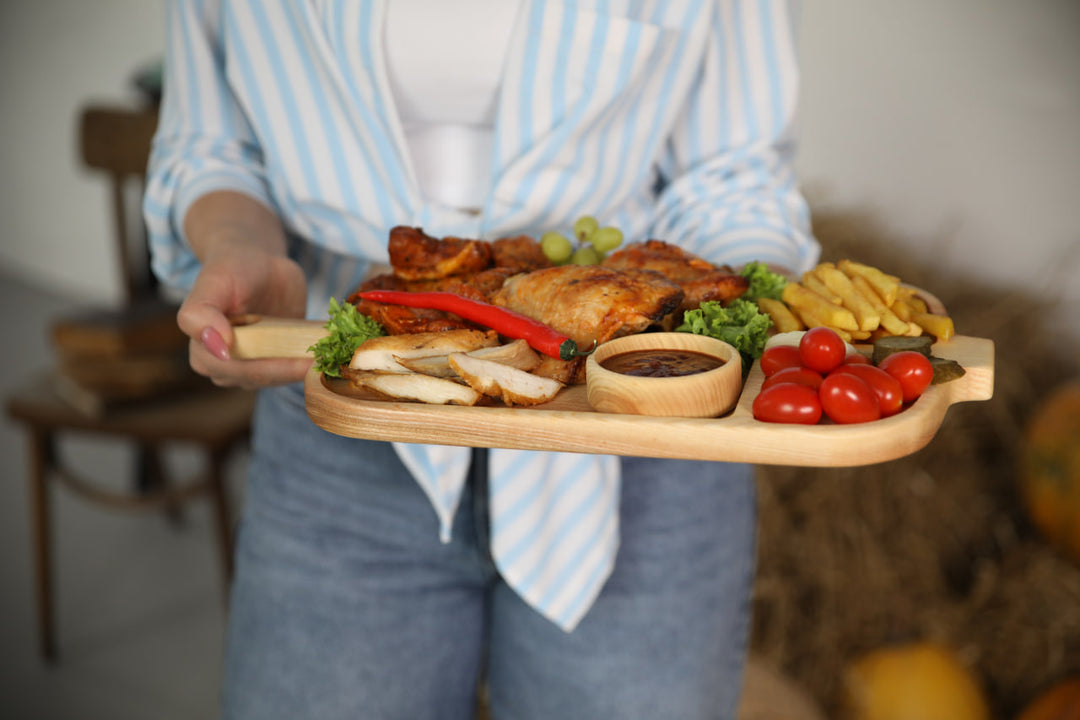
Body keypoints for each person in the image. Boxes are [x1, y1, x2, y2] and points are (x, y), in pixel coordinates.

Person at [145, 1, 819, 718]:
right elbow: (212, 147)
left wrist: (738, 324)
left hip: (642, 428)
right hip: (351, 416)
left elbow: (733, 170)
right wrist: (237, 244)